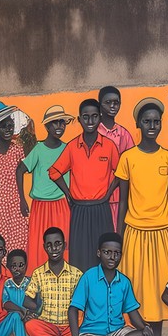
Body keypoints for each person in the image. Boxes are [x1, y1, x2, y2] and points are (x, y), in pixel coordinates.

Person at [116, 97, 168, 336]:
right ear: (138, 124)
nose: (152, 126)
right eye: (147, 121)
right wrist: (118, 237)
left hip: (163, 234)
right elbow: (122, 201)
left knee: (157, 295)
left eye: (156, 121)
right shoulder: (128, 157)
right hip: (135, 233)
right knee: (136, 294)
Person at [48, 99, 118, 272]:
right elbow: (54, 172)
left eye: (94, 116)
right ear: (79, 120)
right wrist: (68, 194)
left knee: (104, 256)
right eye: (85, 117)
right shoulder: (72, 147)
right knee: (79, 257)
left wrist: (108, 193)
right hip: (79, 209)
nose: (90, 121)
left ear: (100, 118)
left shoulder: (109, 146)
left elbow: (122, 173)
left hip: (101, 208)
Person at [68, 232, 152, 336]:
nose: (112, 257)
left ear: (121, 255)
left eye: (117, 253)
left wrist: (145, 328)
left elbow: (132, 312)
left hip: (117, 333)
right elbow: (73, 310)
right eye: (107, 252)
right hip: (92, 333)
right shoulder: (88, 277)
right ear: (99, 253)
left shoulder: (124, 282)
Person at [18, 106, 73, 269]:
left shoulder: (67, 148)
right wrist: (22, 199)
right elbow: (20, 169)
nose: (59, 127)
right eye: (55, 123)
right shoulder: (39, 149)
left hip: (61, 205)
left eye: (62, 123)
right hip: (40, 206)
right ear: (47, 127)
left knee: (63, 244)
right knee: (39, 244)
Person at [23, 227, 81, 336]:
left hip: (69, 326)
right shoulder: (38, 273)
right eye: (49, 245)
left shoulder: (77, 274)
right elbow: (27, 300)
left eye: (58, 244)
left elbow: (84, 302)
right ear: (44, 247)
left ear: (64, 245)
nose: (54, 249)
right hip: (47, 325)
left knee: (83, 325)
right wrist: (36, 310)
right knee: (30, 325)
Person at [0, 101, 29, 253]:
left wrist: (22, 199)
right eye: (3, 126)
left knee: (19, 244)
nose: (8, 130)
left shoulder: (18, 150)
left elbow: (22, 175)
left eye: (10, 125)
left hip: (16, 204)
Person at [97, 86, 136, 228]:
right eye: (108, 102)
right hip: (96, 196)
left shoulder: (124, 134)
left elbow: (131, 166)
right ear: (100, 104)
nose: (113, 106)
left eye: (116, 102)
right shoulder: (94, 132)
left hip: (119, 196)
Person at [0, 249, 32, 336]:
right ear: (8, 267)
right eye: (14, 266)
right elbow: (5, 303)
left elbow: (35, 302)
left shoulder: (31, 283)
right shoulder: (7, 284)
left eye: (21, 265)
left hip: (28, 315)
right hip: (14, 316)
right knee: (15, 316)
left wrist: (28, 312)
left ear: (26, 266)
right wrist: (20, 309)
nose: (17, 268)